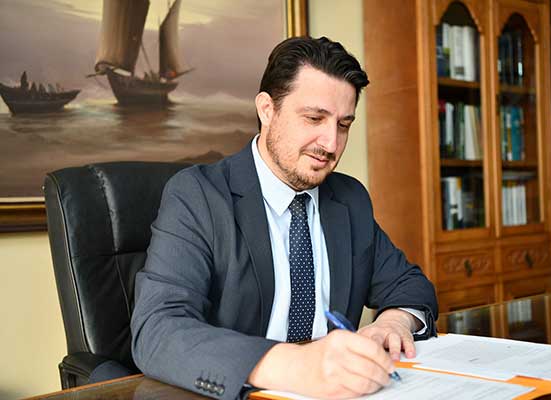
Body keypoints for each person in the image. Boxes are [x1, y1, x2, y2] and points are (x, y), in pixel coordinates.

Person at [131, 36, 438, 400]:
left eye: (343, 125)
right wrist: (294, 366)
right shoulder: (198, 195)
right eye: (314, 118)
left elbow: (410, 285)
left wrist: (393, 322)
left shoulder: (349, 198)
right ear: (267, 109)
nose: (331, 144)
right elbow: (158, 331)